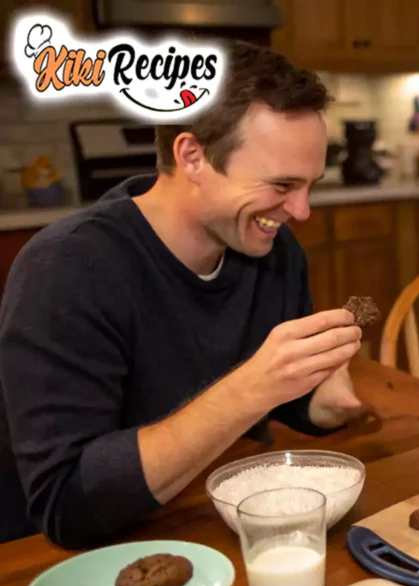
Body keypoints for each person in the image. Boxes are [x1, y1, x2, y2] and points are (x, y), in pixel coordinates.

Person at [0, 40, 368, 548]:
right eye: (281, 184)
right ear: (192, 155)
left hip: (219, 525)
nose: (301, 211)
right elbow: (65, 504)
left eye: (310, 185)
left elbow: (272, 407)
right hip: (72, 563)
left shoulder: (273, 251)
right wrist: (252, 388)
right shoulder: (67, 268)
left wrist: (317, 401)